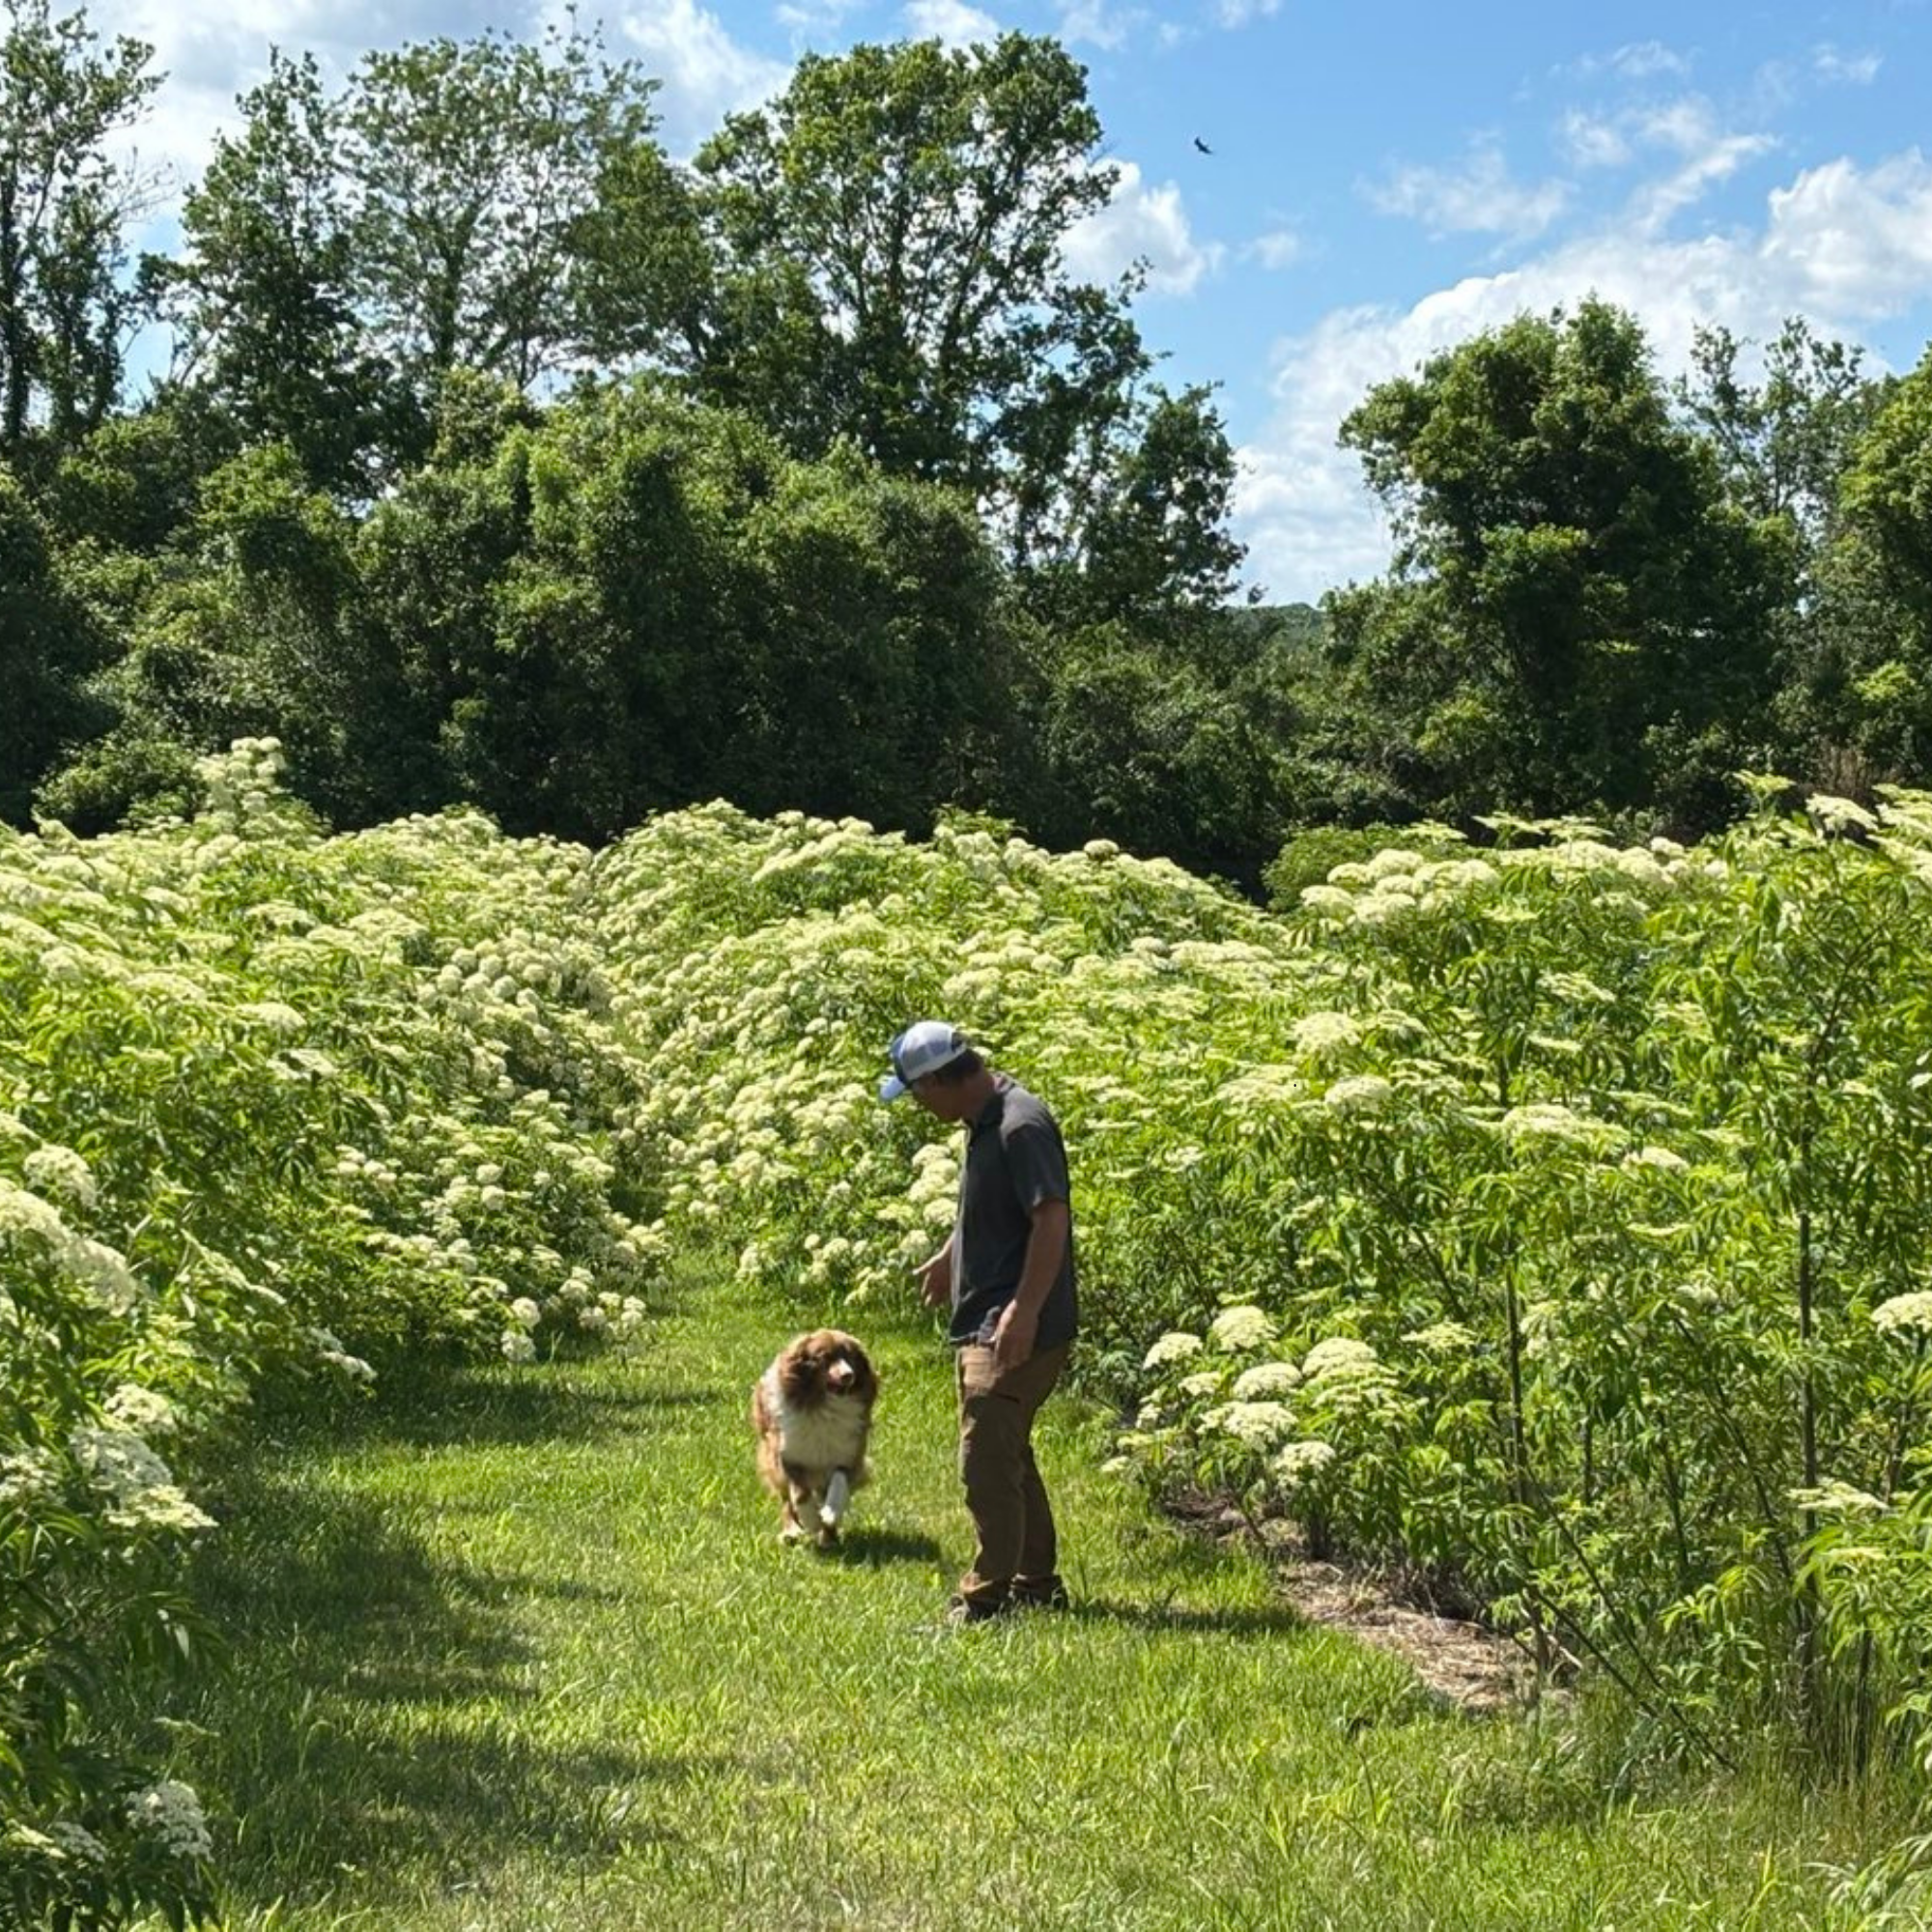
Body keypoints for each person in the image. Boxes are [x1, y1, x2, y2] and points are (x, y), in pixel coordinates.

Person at [880, 1020, 1078, 1624]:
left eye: (919, 1093)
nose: (918, 1105)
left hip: (1014, 1322)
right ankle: (1037, 1583)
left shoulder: (1021, 1125)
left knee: (985, 1458)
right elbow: (995, 1208)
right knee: (1007, 1450)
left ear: (944, 1080)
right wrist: (950, 1255)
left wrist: (1023, 1310)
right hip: (989, 1315)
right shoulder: (984, 1122)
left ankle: (985, 1599)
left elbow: (1051, 1220)